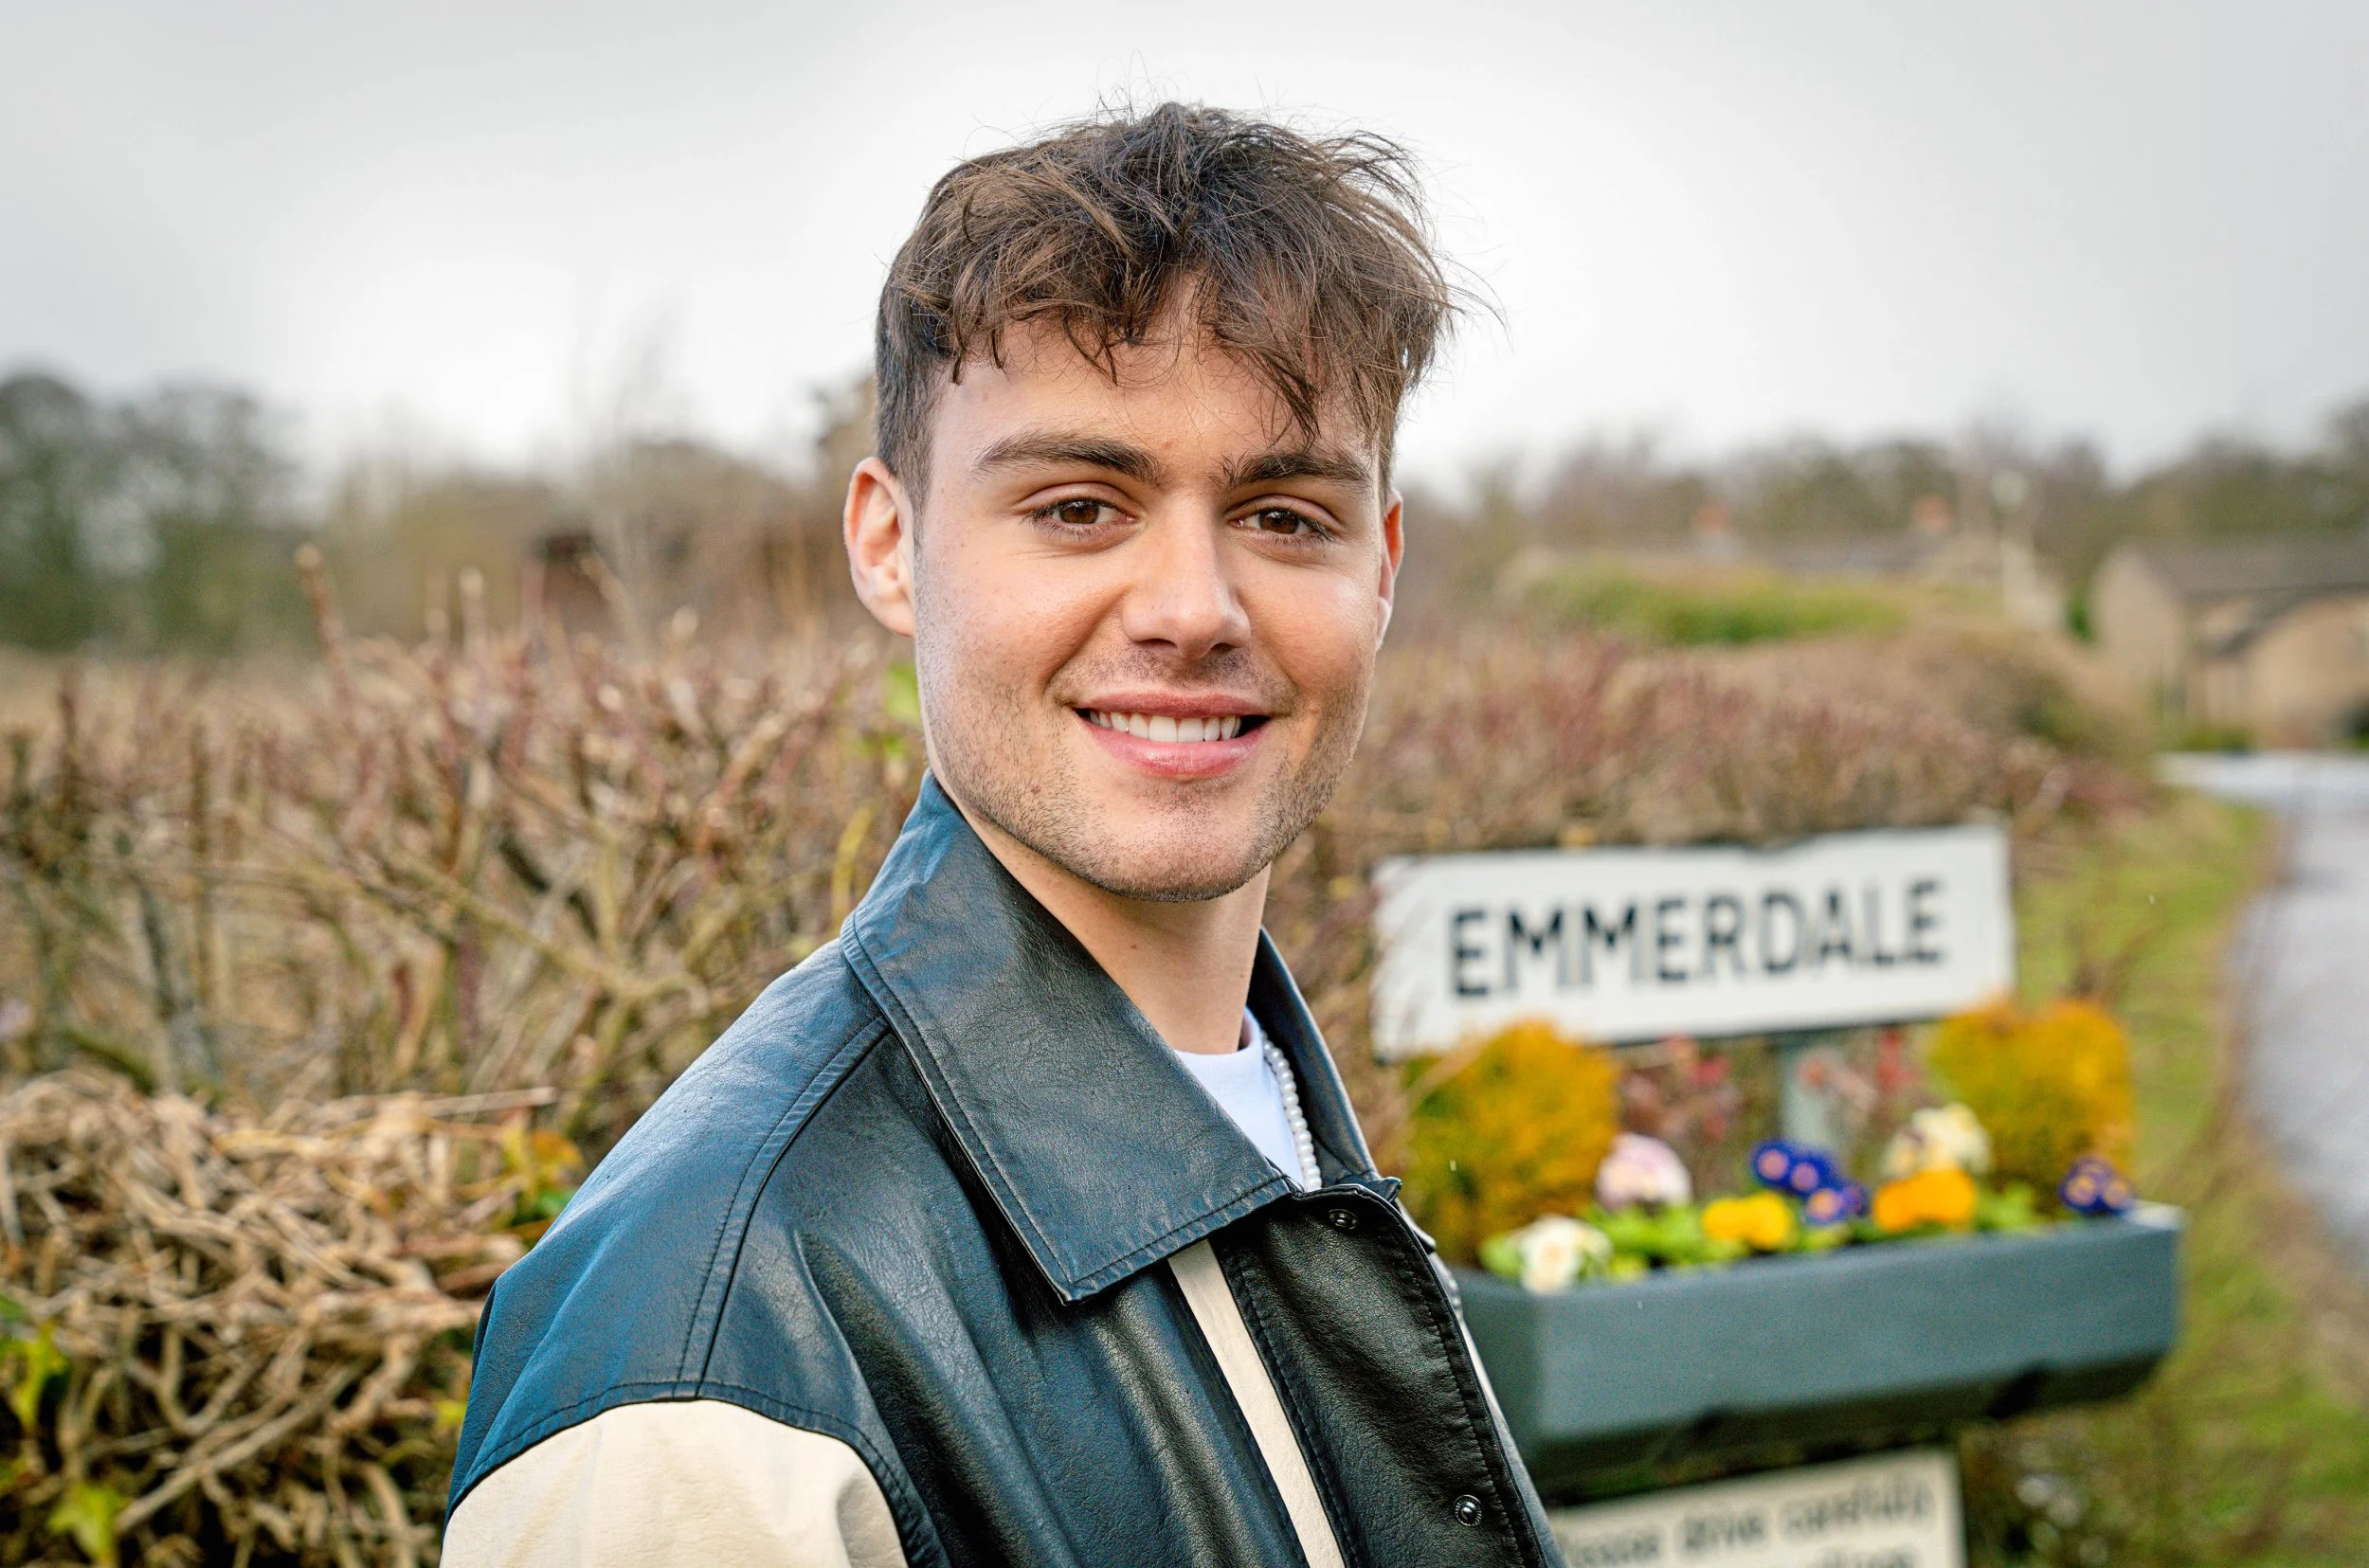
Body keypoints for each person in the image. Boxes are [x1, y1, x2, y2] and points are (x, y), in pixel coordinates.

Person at [445, 101, 1562, 1568]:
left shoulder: (1290, 1145)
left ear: (1384, 567)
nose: (1193, 608)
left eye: (1286, 516)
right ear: (889, 545)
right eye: (1080, 505)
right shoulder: (708, 1379)